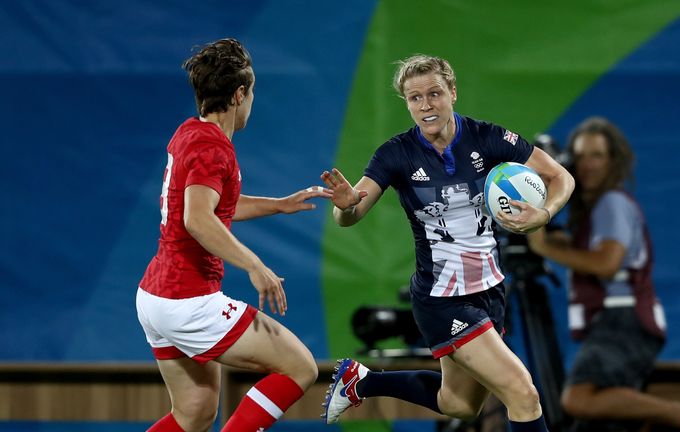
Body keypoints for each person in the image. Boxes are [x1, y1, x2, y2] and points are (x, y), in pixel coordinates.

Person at [319, 54, 575, 431]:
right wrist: (343, 208)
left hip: (490, 291)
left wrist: (545, 214)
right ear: (406, 103)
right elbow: (351, 214)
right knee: (523, 393)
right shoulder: (395, 154)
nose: (426, 106)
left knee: (457, 404)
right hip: (441, 298)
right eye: (415, 98)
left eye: (434, 93)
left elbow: (560, 177)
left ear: (452, 93)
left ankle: (363, 381)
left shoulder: (487, 138)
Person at [136, 38, 331, 432]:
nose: (253, 101)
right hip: (188, 300)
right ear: (240, 94)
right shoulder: (215, 148)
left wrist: (278, 204)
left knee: (194, 412)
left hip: (155, 297)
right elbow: (198, 219)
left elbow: (215, 206)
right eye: (253, 92)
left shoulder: (190, 132)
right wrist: (254, 265)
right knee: (300, 368)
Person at [526, 117, 680, 432]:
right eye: (580, 156)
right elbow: (577, 246)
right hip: (619, 323)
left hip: (624, 321)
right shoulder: (593, 212)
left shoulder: (612, 203)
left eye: (597, 155)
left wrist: (543, 247)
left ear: (613, 161)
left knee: (578, 398)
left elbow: (606, 263)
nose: (587, 164)